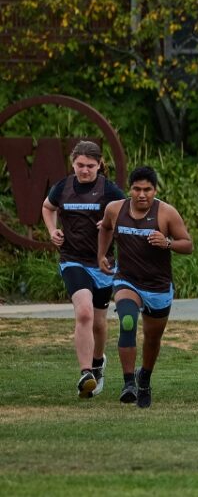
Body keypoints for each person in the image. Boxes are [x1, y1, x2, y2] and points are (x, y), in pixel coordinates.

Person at [96, 166, 194, 408]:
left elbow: (188, 245)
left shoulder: (166, 213)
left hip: (158, 286)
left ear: (155, 190)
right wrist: (102, 254)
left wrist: (167, 242)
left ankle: (144, 378)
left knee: (152, 338)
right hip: (127, 280)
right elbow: (106, 228)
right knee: (127, 322)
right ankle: (128, 383)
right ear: (129, 189)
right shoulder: (115, 209)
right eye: (137, 189)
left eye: (147, 189)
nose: (142, 194)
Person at [41, 141, 125, 398]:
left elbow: (129, 215)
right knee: (85, 312)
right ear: (72, 163)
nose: (85, 170)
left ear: (99, 165)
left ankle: (98, 363)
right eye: (80, 165)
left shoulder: (109, 190)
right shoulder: (63, 187)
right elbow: (47, 207)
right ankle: (85, 372)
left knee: (99, 322)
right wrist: (52, 230)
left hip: (102, 262)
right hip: (72, 259)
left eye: (90, 166)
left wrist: (111, 222)